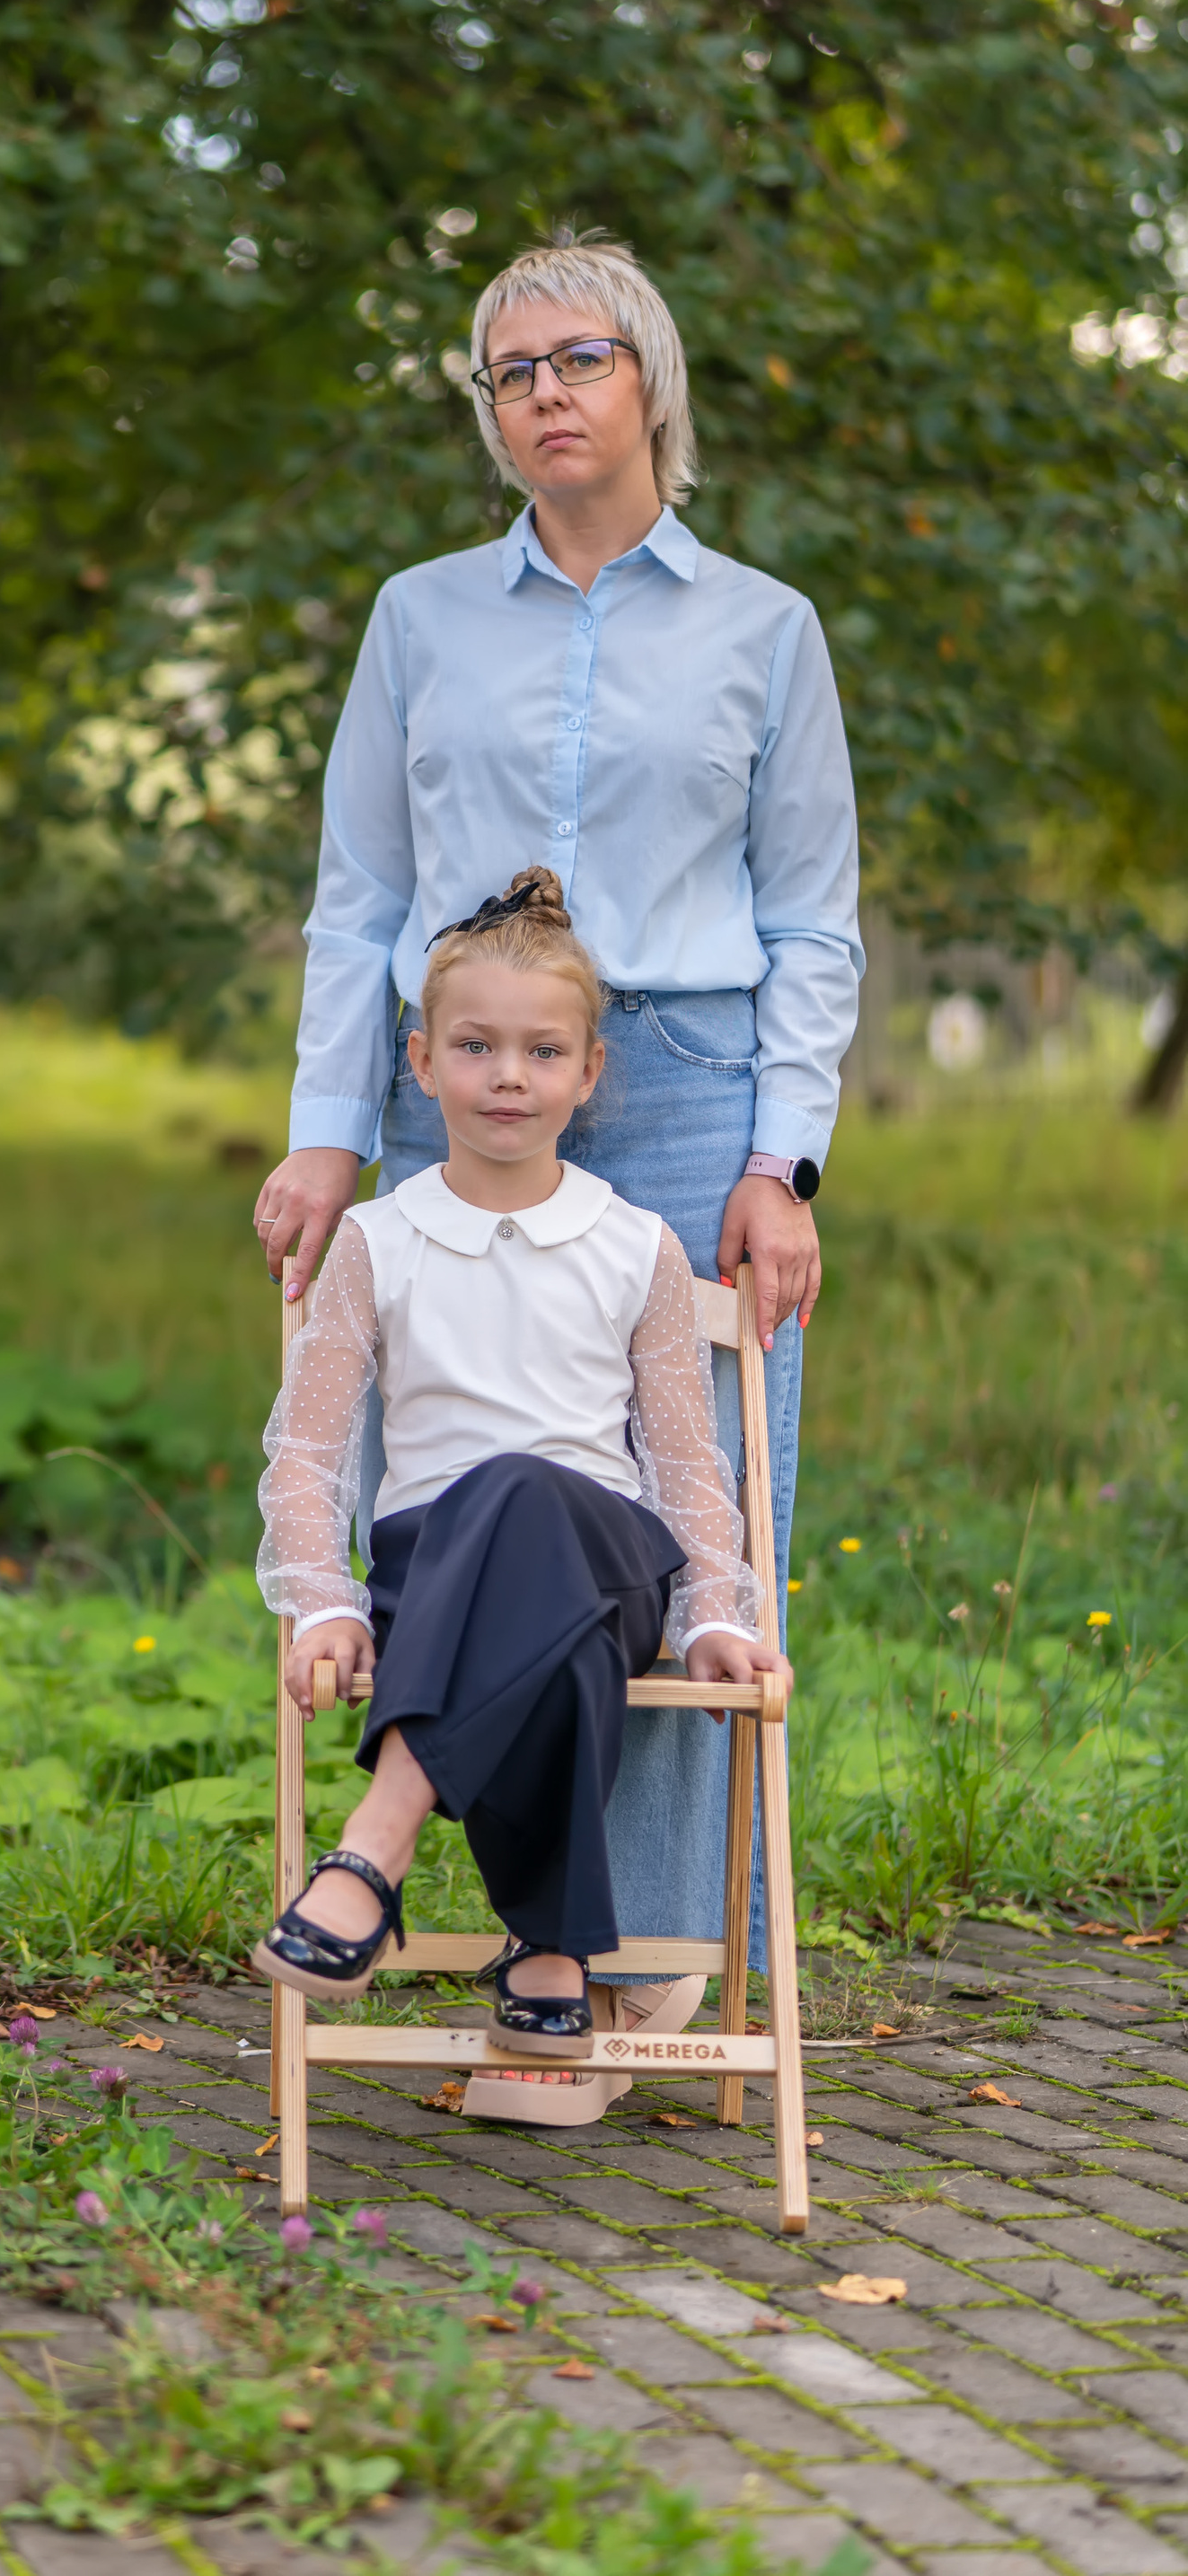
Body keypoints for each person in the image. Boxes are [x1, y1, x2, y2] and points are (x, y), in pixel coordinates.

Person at [252, 233, 858, 2064]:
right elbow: (356, 899)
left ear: (644, 378)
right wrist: (322, 1131)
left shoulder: (762, 627)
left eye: (570, 359)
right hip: (465, 1069)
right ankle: (527, 1926)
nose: (537, 396)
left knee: (677, 1523)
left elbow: (812, 915)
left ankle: (644, 1958)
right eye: (503, 373)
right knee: (440, 1470)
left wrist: (785, 1156)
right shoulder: (419, 616)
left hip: (680, 1080)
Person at [252, 873, 793, 2096]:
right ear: (422, 1060)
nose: (510, 1074)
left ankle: (373, 1849)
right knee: (530, 1588)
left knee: (528, 1491)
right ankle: (551, 1948)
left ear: (590, 1071)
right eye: (477, 1046)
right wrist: (323, 1600)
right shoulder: (379, 1241)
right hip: (440, 1577)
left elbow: (685, 1463)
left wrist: (717, 1612)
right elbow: (310, 1451)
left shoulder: (633, 1244)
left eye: (542, 1051)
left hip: (611, 1553)